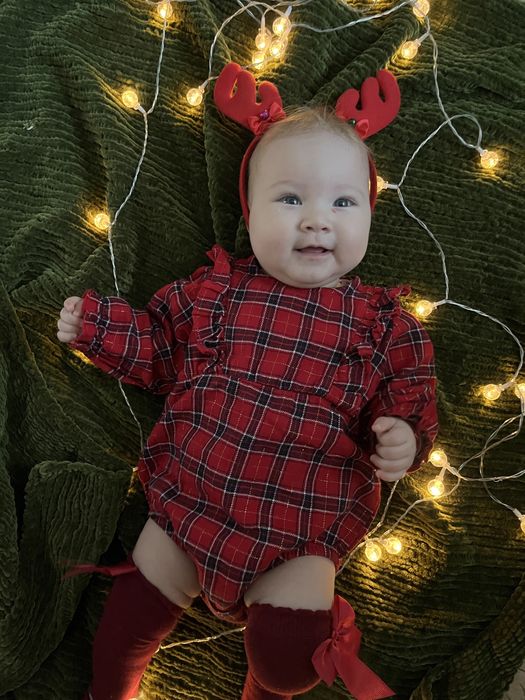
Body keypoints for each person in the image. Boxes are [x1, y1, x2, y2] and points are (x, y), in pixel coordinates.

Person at [57, 62, 438, 700]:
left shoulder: (383, 326)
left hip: (299, 529)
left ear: (370, 214)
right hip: (191, 504)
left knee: (288, 660)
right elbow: (160, 351)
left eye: (343, 202)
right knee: (129, 617)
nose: (317, 221)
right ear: (251, 211)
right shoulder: (217, 292)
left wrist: (403, 436)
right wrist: (98, 327)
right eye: (290, 199)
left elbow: (411, 394)